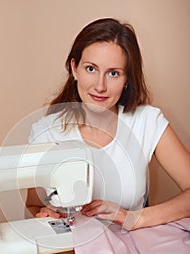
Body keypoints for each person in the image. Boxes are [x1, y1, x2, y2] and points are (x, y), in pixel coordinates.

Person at [26, 18, 190, 230]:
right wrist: (44, 215)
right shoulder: (46, 133)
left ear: (127, 79)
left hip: (134, 250)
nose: (100, 86)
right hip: (74, 253)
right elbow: (33, 205)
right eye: (91, 69)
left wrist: (135, 218)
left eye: (113, 73)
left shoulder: (147, 121)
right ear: (74, 69)